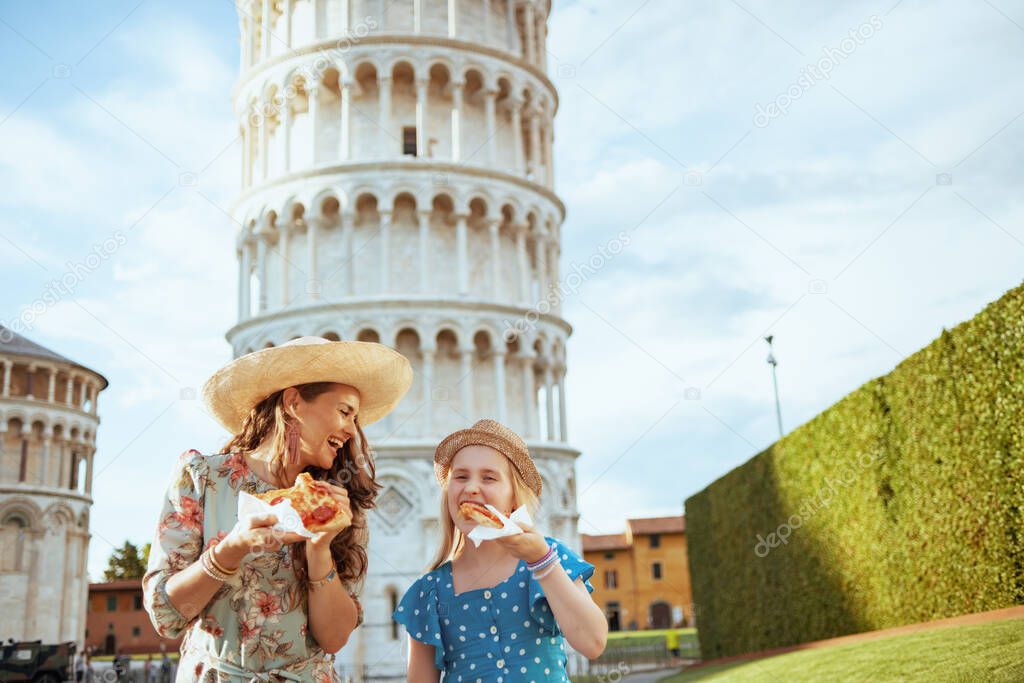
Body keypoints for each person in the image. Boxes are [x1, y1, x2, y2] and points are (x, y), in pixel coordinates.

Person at [141, 337, 413, 681]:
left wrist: (320, 547)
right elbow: (166, 617)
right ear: (294, 402)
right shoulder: (202, 479)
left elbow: (333, 638)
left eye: (355, 419)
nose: (350, 430)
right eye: (344, 412)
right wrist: (231, 550)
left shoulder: (341, 502)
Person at [393, 419, 608, 681]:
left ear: (513, 499)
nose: (471, 487)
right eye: (461, 477)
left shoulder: (550, 557)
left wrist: (542, 561)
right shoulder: (430, 591)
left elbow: (593, 643)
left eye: (489, 477)